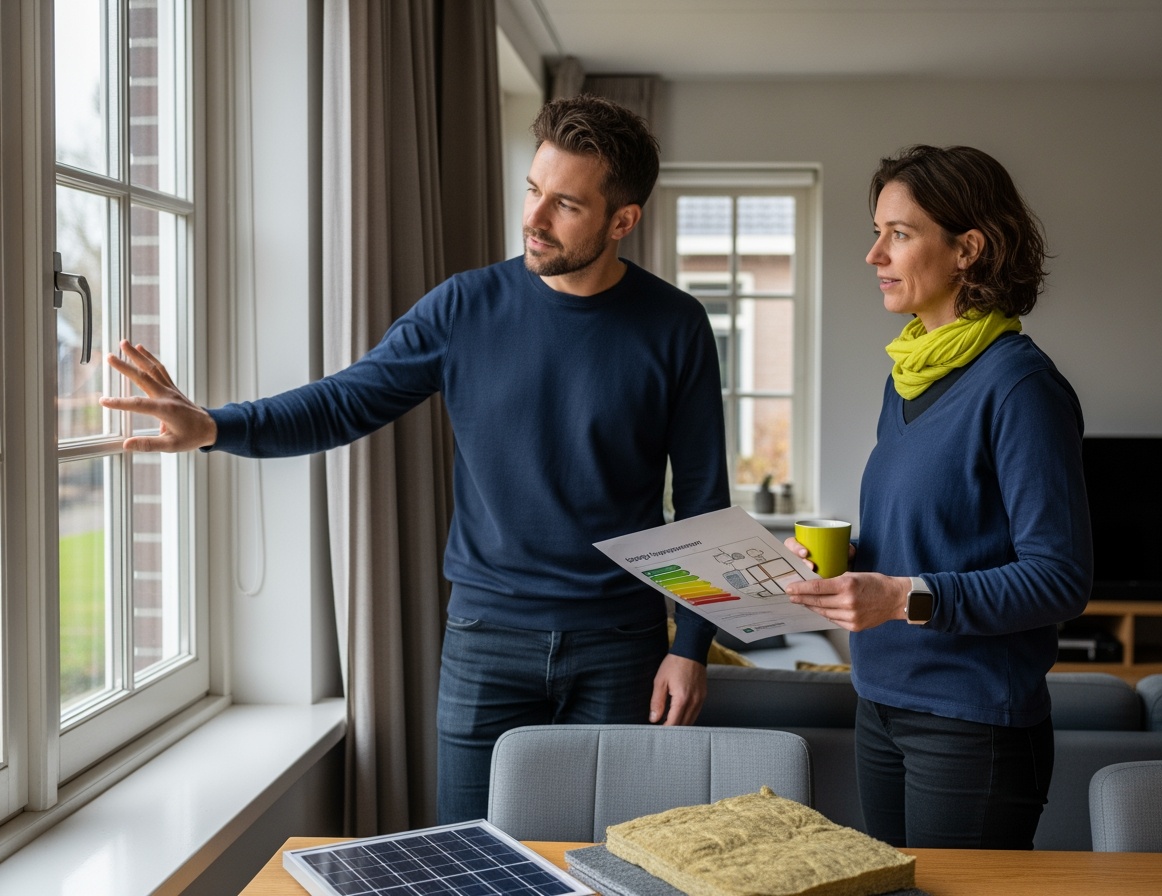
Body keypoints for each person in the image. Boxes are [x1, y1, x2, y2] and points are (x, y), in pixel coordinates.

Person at [100, 94, 730, 824]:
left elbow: (705, 499)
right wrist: (214, 425)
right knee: (467, 861)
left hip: (622, 643)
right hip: (486, 638)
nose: (532, 218)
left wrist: (692, 647)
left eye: (565, 204)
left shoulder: (675, 326)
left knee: (606, 859)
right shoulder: (464, 309)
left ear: (622, 221)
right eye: (532, 190)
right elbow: (342, 403)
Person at [784, 145, 1092, 850]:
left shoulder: (1020, 388)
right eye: (876, 232)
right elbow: (922, 544)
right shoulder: (906, 379)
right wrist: (838, 568)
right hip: (881, 702)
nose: (874, 255)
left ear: (968, 249)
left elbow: (1060, 578)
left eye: (899, 233)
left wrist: (898, 598)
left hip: (971, 720)